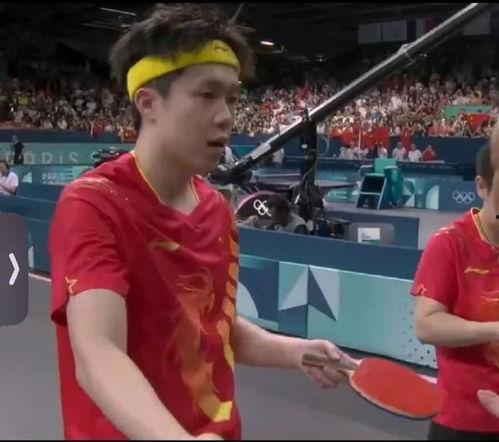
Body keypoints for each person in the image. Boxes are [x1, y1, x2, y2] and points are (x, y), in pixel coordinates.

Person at [48, 4, 356, 441]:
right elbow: (99, 352)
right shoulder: (95, 203)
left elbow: (210, 326)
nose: (226, 116)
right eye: (207, 94)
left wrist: (297, 351)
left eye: (231, 98)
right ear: (148, 103)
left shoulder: (215, 209)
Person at [412, 142, 499, 440]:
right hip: (463, 424)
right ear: (482, 186)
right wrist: (495, 330)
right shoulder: (449, 243)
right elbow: (426, 325)